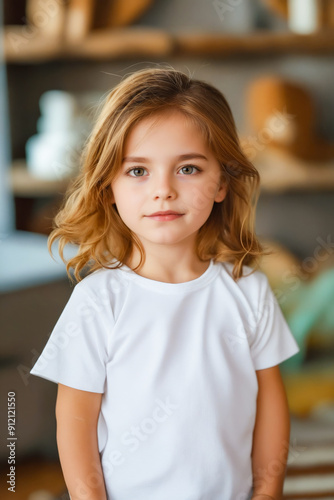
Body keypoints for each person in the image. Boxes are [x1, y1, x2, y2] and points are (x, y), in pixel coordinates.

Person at [31, 67, 299, 500]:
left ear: (221, 184)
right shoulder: (98, 301)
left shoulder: (249, 291)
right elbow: (75, 421)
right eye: (138, 171)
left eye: (188, 168)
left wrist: (268, 492)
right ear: (108, 188)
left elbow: (271, 407)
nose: (163, 190)